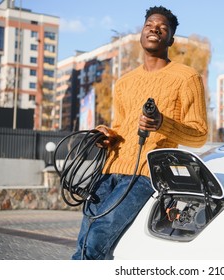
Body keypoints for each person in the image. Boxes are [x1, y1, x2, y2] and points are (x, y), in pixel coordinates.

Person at [72, 5, 208, 260]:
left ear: (171, 39)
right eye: (149, 25)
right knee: (84, 238)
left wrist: (162, 123)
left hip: (144, 173)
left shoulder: (187, 78)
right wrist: (107, 134)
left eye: (162, 27)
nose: (154, 29)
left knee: (97, 241)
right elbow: (122, 126)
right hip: (109, 171)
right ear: (141, 34)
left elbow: (199, 134)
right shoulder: (124, 82)